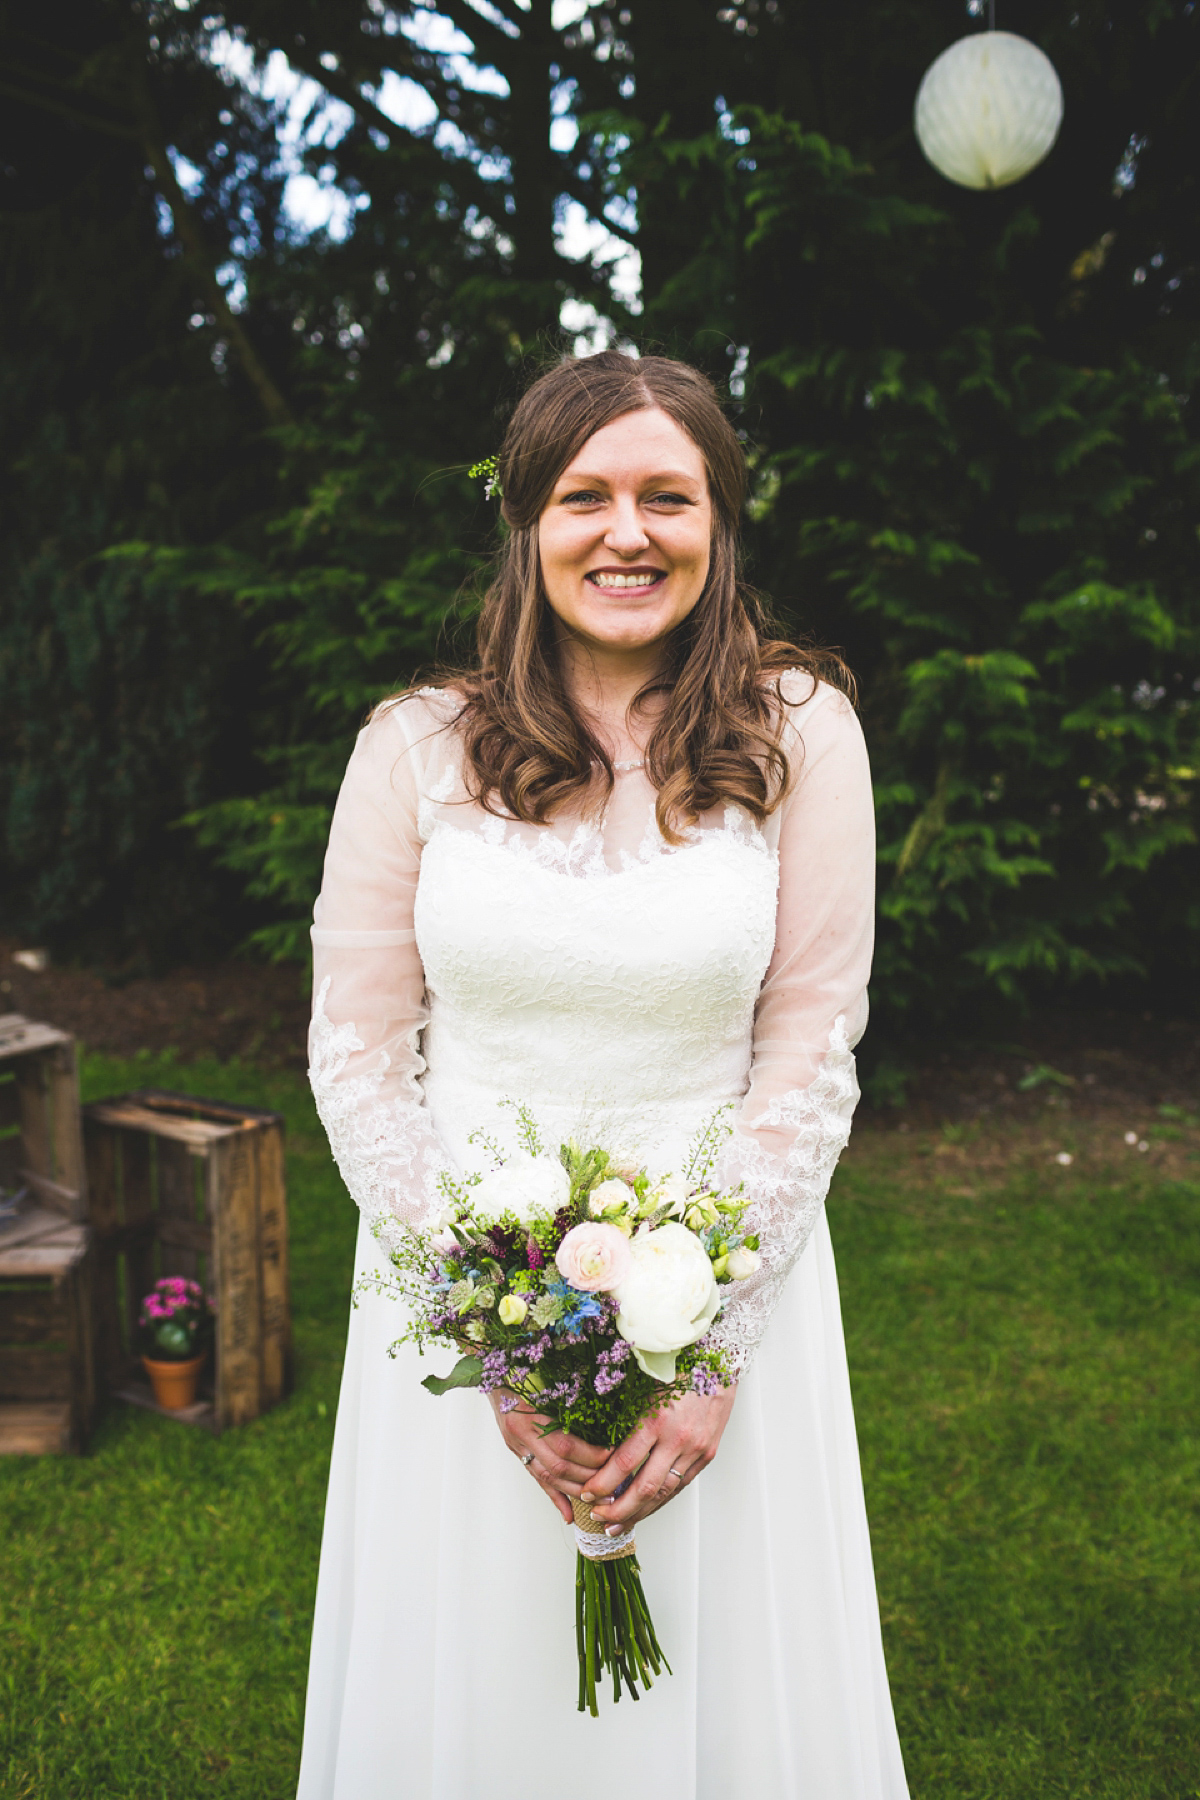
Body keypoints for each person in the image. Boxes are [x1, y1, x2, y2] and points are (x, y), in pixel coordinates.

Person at [297, 350, 909, 1799]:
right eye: (586, 496)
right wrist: (492, 1343)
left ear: (720, 522)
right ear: (526, 520)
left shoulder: (803, 731)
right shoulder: (413, 749)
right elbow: (360, 1050)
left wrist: (708, 1352)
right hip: (466, 1309)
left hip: (725, 1300)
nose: (626, 533)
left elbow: (813, 1038)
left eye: (666, 497)